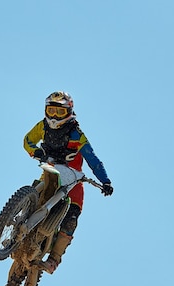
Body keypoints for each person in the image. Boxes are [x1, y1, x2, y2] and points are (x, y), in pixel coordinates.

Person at [23, 91, 113, 274]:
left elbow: (93, 160)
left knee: (71, 220)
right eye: (52, 111)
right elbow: (27, 141)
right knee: (33, 191)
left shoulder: (76, 134)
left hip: (73, 181)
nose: (55, 116)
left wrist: (105, 181)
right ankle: (17, 218)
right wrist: (35, 152)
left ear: (69, 112)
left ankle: (53, 260)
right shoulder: (42, 127)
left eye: (60, 112)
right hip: (51, 171)